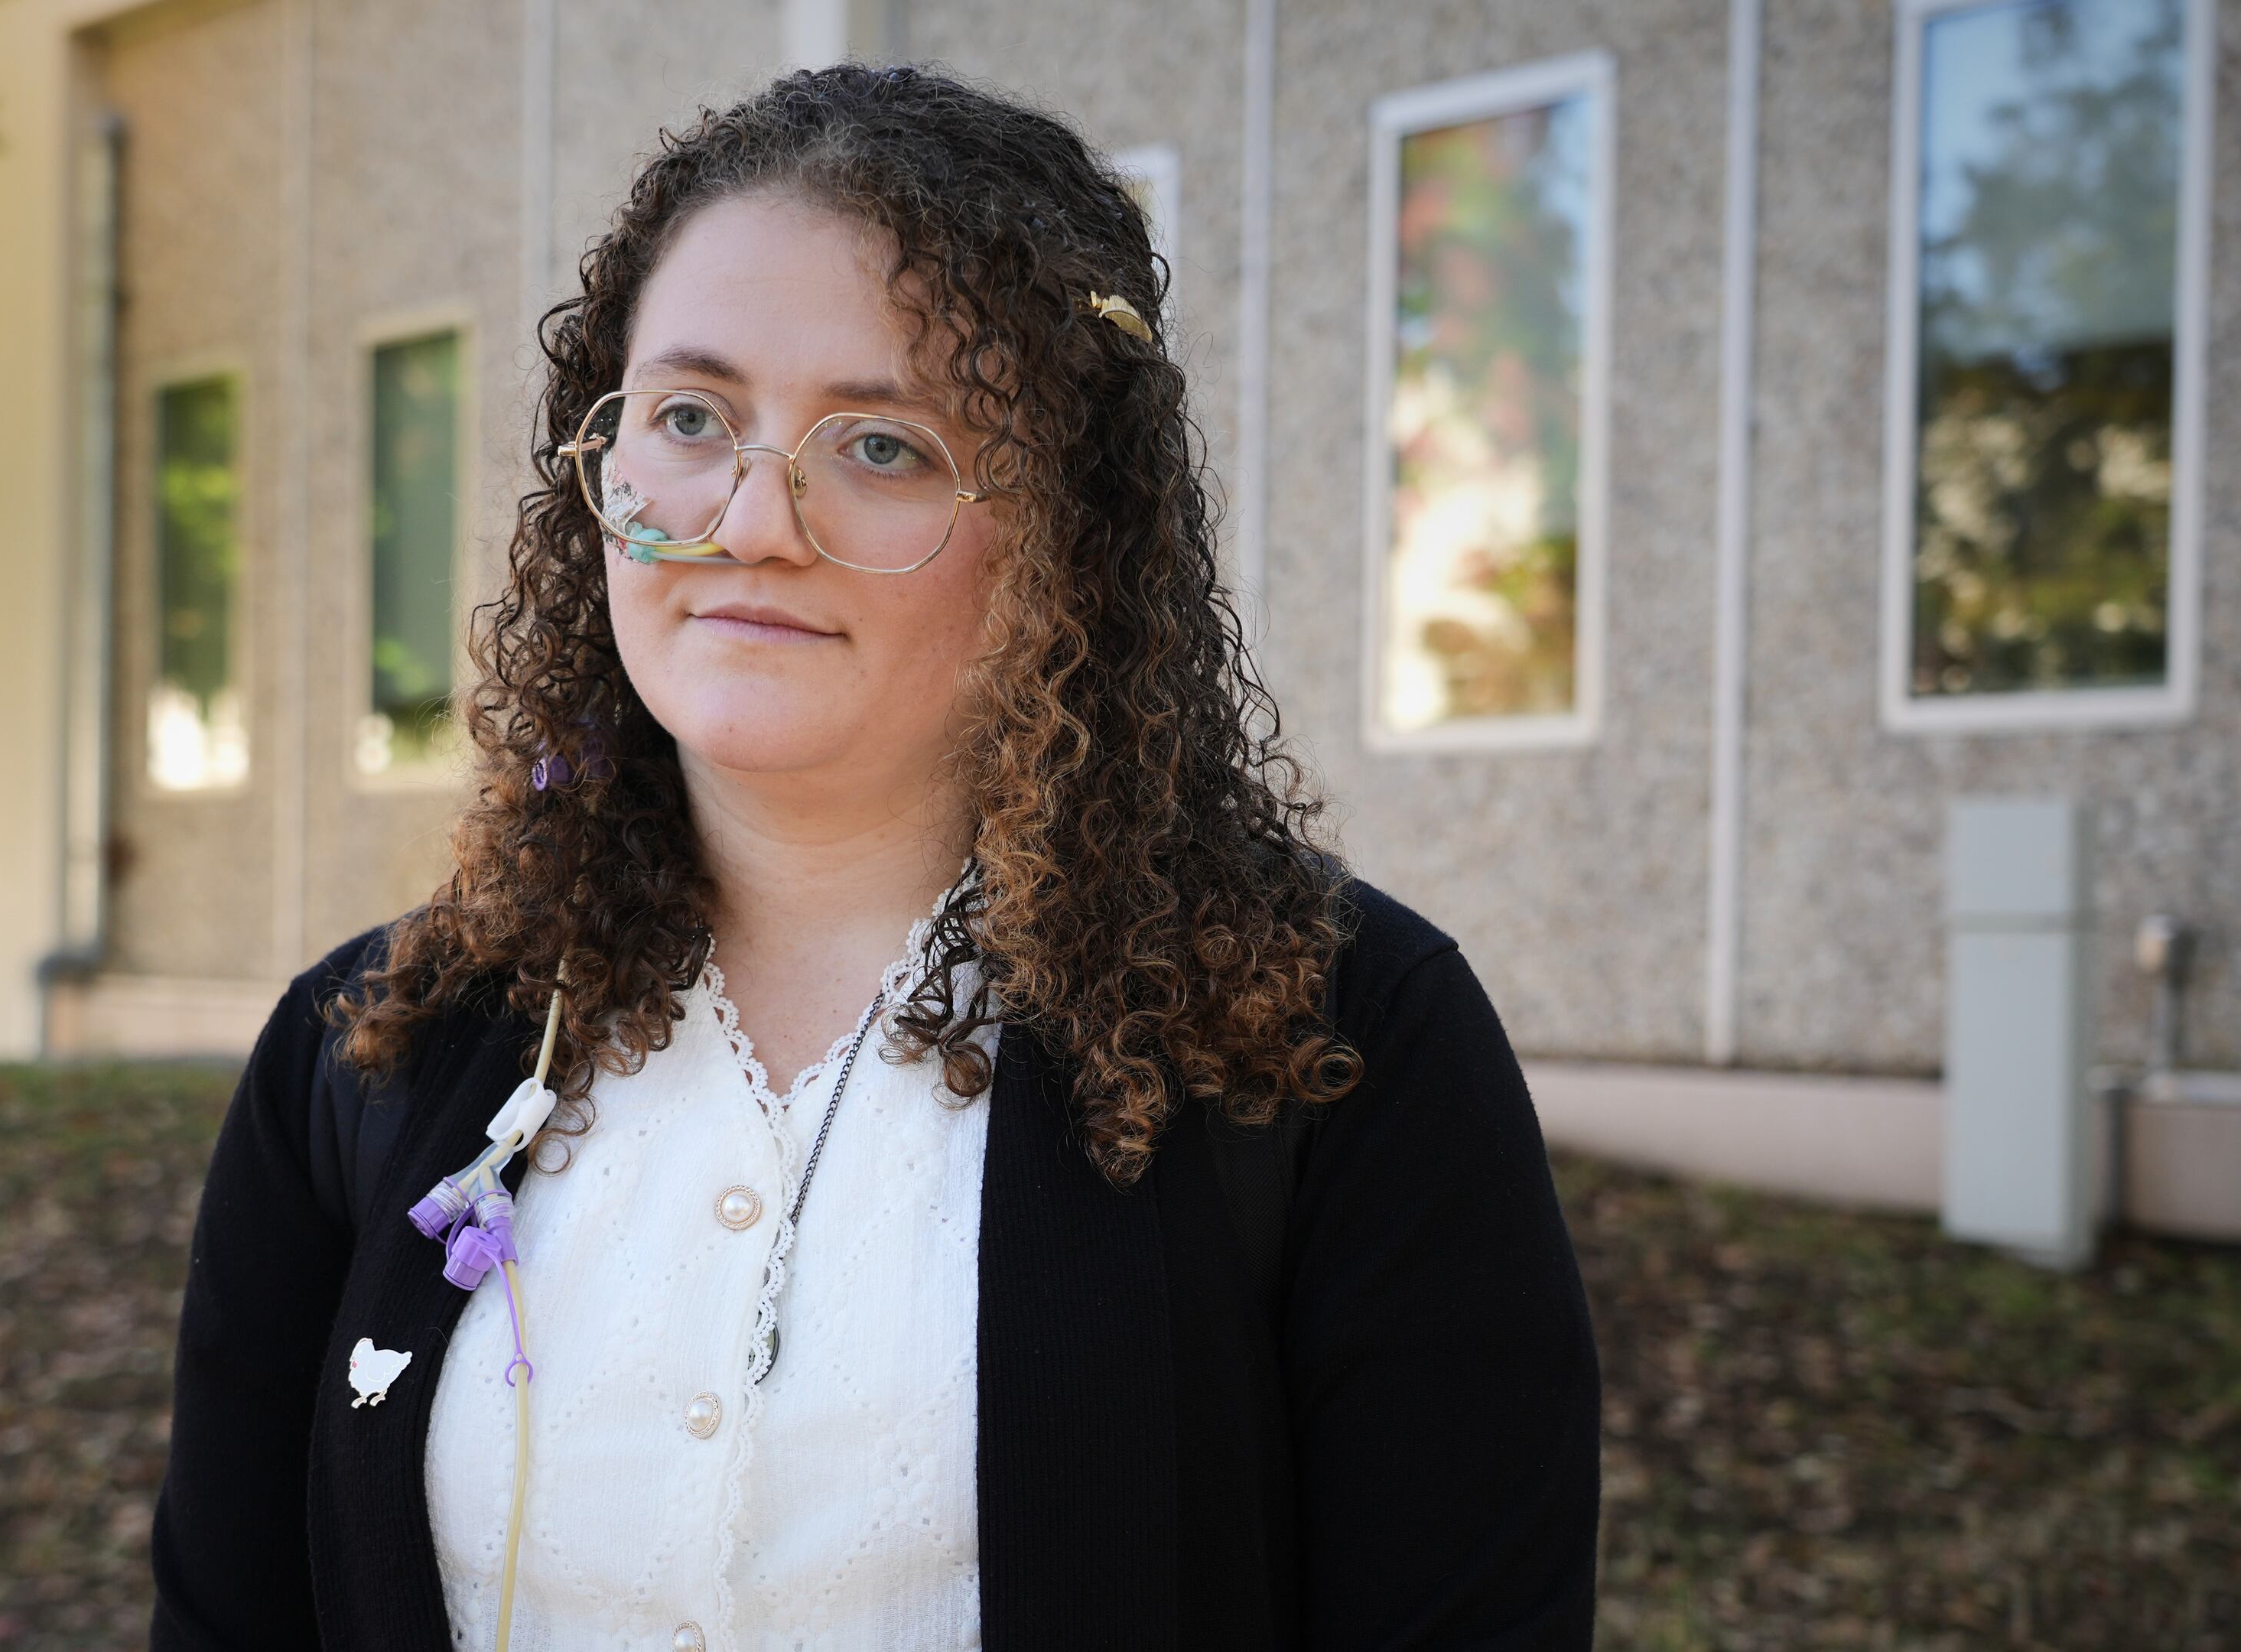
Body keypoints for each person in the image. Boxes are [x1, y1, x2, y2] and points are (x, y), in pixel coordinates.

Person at [148, 63, 1599, 1652]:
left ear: (1064, 532)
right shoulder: (367, 1050)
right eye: (693, 418)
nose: (753, 521)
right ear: (605, 463)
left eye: (883, 445)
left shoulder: (1338, 1045)